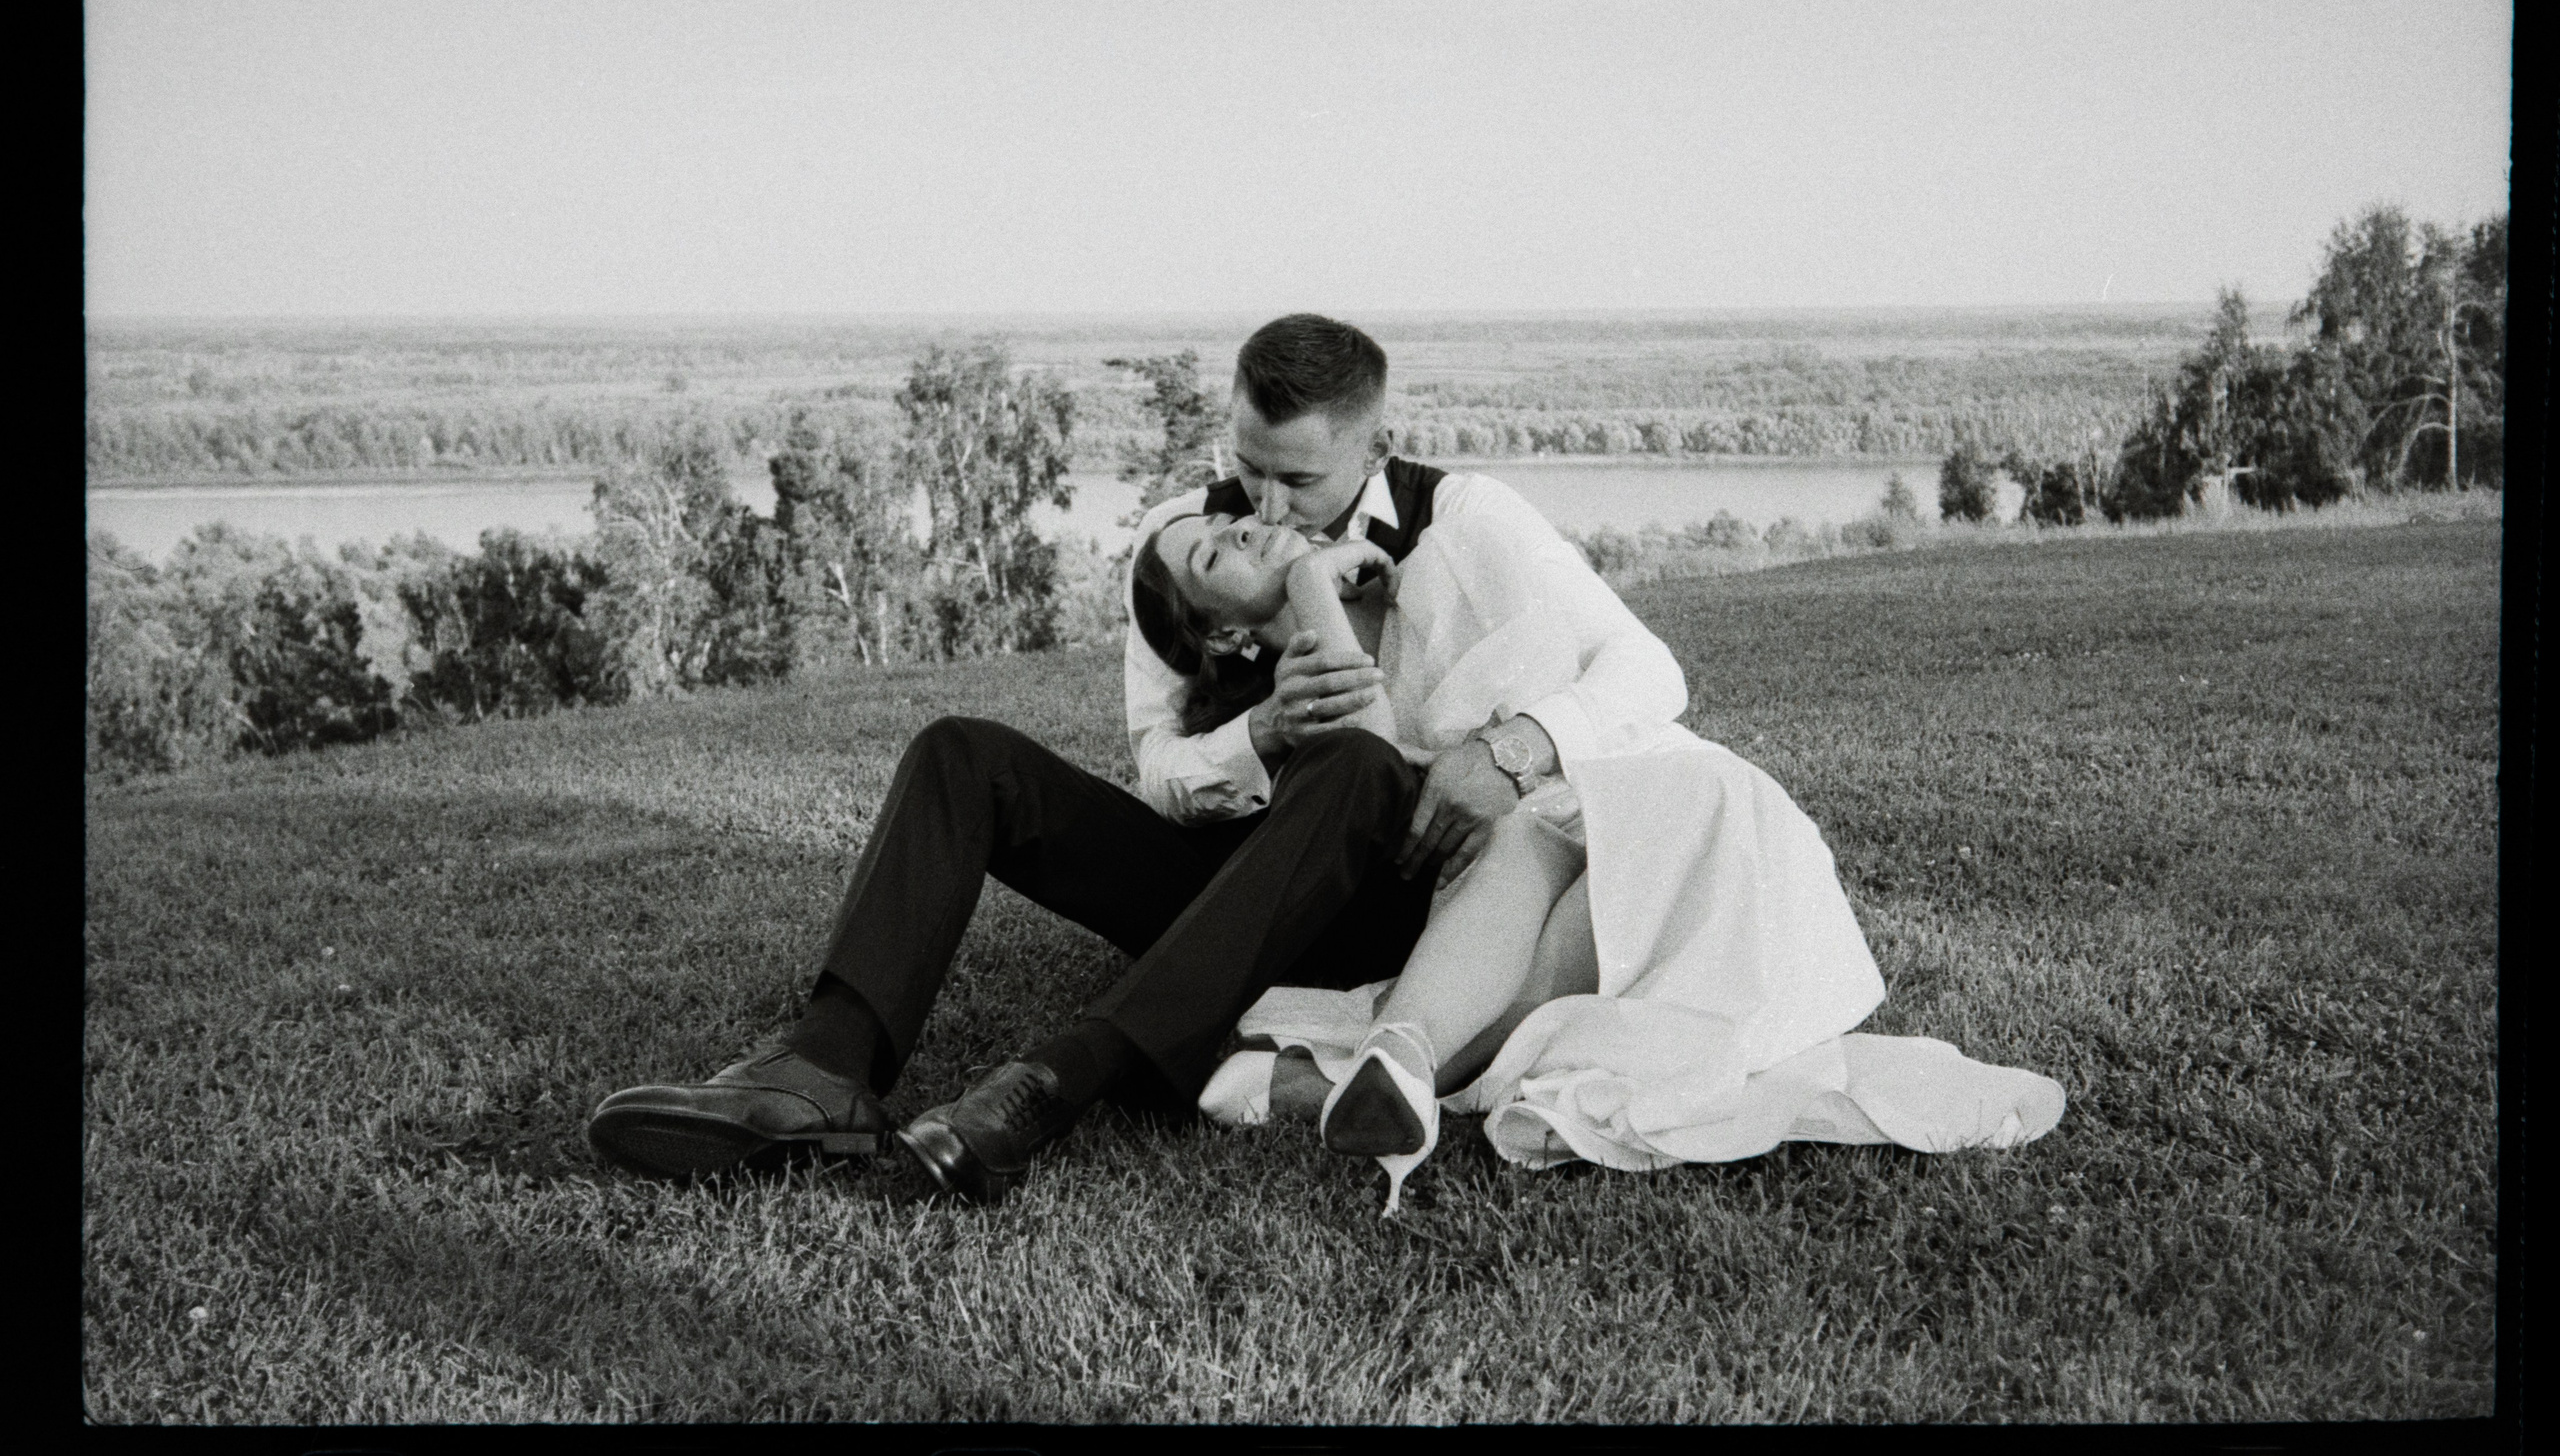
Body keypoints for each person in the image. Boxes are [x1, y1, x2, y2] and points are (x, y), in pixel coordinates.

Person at [583, 313, 1681, 1203]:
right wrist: (1257, 735)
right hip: (1217, 878)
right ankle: (822, 1067)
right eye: (1248, 470)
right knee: (964, 755)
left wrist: (1515, 747)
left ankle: (1055, 1084)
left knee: (1352, 768)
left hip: (1381, 891)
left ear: (1372, 449)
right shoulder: (1184, 538)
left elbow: (1648, 673)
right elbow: (1157, 766)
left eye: (1298, 482)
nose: (1264, 506)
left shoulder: (1469, 520)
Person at [1130, 503, 2069, 1215]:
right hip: (1549, 855)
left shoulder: (1442, 551)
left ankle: (1353, 1074)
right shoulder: (1305, 686)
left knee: (1595, 827)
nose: (1248, 526)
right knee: (1528, 853)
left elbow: (1638, 672)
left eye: (1231, 521)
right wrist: (1307, 590)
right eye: (1219, 554)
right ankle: (1399, 1060)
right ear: (1223, 633)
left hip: (1675, 807)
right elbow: (1376, 764)